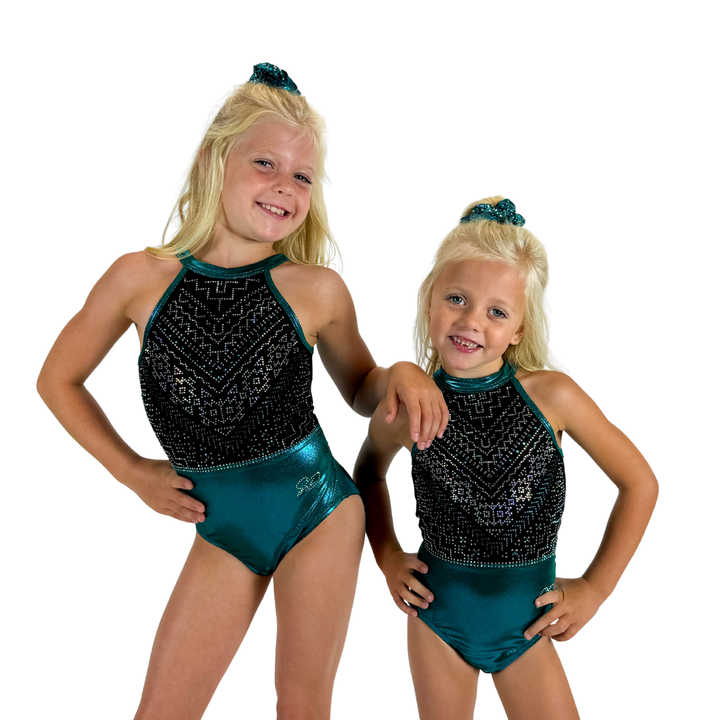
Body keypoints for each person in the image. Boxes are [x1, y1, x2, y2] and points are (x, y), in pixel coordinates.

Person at [37, 63, 447, 720]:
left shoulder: (316, 290)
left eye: (303, 177)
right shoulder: (139, 279)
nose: (285, 186)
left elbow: (361, 389)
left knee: (301, 702)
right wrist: (133, 472)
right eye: (265, 164)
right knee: (162, 710)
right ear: (214, 159)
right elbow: (57, 379)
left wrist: (401, 371)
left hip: (318, 508)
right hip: (222, 523)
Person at [354, 197, 658, 720]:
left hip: (528, 623)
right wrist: (387, 555)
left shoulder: (552, 397)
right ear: (429, 302)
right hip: (435, 617)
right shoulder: (407, 408)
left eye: (496, 312)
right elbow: (367, 474)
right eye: (456, 299)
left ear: (519, 329)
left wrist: (595, 588)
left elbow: (640, 483)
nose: (471, 321)